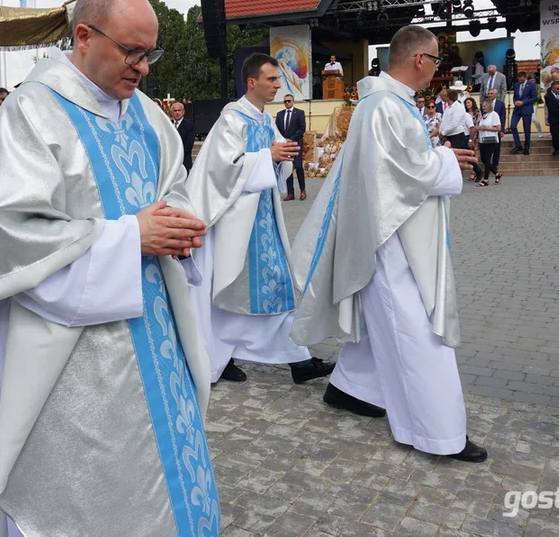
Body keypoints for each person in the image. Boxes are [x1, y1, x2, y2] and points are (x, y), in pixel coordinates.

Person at [0, 0, 219, 537]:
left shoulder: (148, 115)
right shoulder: (33, 114)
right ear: (84, 36)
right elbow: (13, 231)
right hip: (77, 352)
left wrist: (179, 223)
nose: (143, 68)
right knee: (92, 490)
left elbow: (173, 185)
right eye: (131, 51)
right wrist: (129, 236)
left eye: (149, 52)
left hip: (155, 327)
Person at [290, 24, 486, 463]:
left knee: (387, 324)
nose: (436, 70)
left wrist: (432, 155)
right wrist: (441, 159)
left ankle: (351, 389)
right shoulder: (383, 106)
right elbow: (397, 172)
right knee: (414, 329)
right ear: (420, 59)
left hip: (390, 231)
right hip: (390, 240)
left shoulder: (391, 103)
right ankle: (437, 433)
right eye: (436, 61)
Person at [186, 53, 332, 385]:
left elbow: (274, 158)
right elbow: (221, 169)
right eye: (271, 79)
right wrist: (267, 157)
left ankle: (298, 358)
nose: (278, 85)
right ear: (252, 82)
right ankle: (221, 358)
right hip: (234, 224)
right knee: (230, 289)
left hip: (263, 220)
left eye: (278, 80)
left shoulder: (266, 121)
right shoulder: (232, 120)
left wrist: (283, 157)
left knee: (277, 285)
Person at [276, 94, 307, 200]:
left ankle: (302, 190)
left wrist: (292, 139)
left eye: (289, 101)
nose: (287, 103)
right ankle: (290, 193)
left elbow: (302, 128)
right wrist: (283, 140)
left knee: (298, 166)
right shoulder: (279, 115)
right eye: (285, 101)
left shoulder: (299, 113)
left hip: (296, 144)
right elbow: (277, 130)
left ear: (293, 101)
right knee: (287, 167)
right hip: (285, 144)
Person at [509, 71, 536, 155]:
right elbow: (515, 96)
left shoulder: (531, 85)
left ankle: (526, 147)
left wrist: (523, 102)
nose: (520, 80)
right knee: (513, 126)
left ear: (525, 77)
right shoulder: (516, 85)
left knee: (526, 129)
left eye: (521, 78)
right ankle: (518, 145)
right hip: (517, 109)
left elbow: (534, 97)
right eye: (519, 78)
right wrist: (515, 102)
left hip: (526, 109)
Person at [476, 100, 502, 186]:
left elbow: (498, 128)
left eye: (485, 106)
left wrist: (485, 128)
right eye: (482, 106)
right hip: (483, 140)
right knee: (484, 159)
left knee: (487, 159)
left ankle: (486, 179)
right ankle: (496, 173)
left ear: (489, 106)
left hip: (491, 140)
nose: (483, 108)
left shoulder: (494, 114)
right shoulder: (484, 116)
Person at [438, 85, 469, 150]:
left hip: (457, 136)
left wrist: (443, 133)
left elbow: (454, 123)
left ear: (448, 97)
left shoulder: (458, 107)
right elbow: (444, 122)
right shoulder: (448, 108)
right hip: (448, 136)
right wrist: (441, 132)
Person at [170, 101, 195, 172]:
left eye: (179, 110)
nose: (177, 112)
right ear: (172, 113)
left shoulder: (190, 126)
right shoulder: (168, 125)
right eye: (175, 111)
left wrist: (176, 153)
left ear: (183, 112)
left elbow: (188, 145)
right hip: (171, 163)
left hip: (183, 162)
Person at [463, 97, 483, 183]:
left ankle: (474, 172)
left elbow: (478, 123)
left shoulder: (477, 112)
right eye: (466, 103)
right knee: (469, 153)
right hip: (467, 134)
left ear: (472, 103)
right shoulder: (465, 113)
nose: (467, 104)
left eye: (469, 103)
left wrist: (473, 136)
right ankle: (475, 171)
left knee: (475, 153)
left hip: (475, 134)